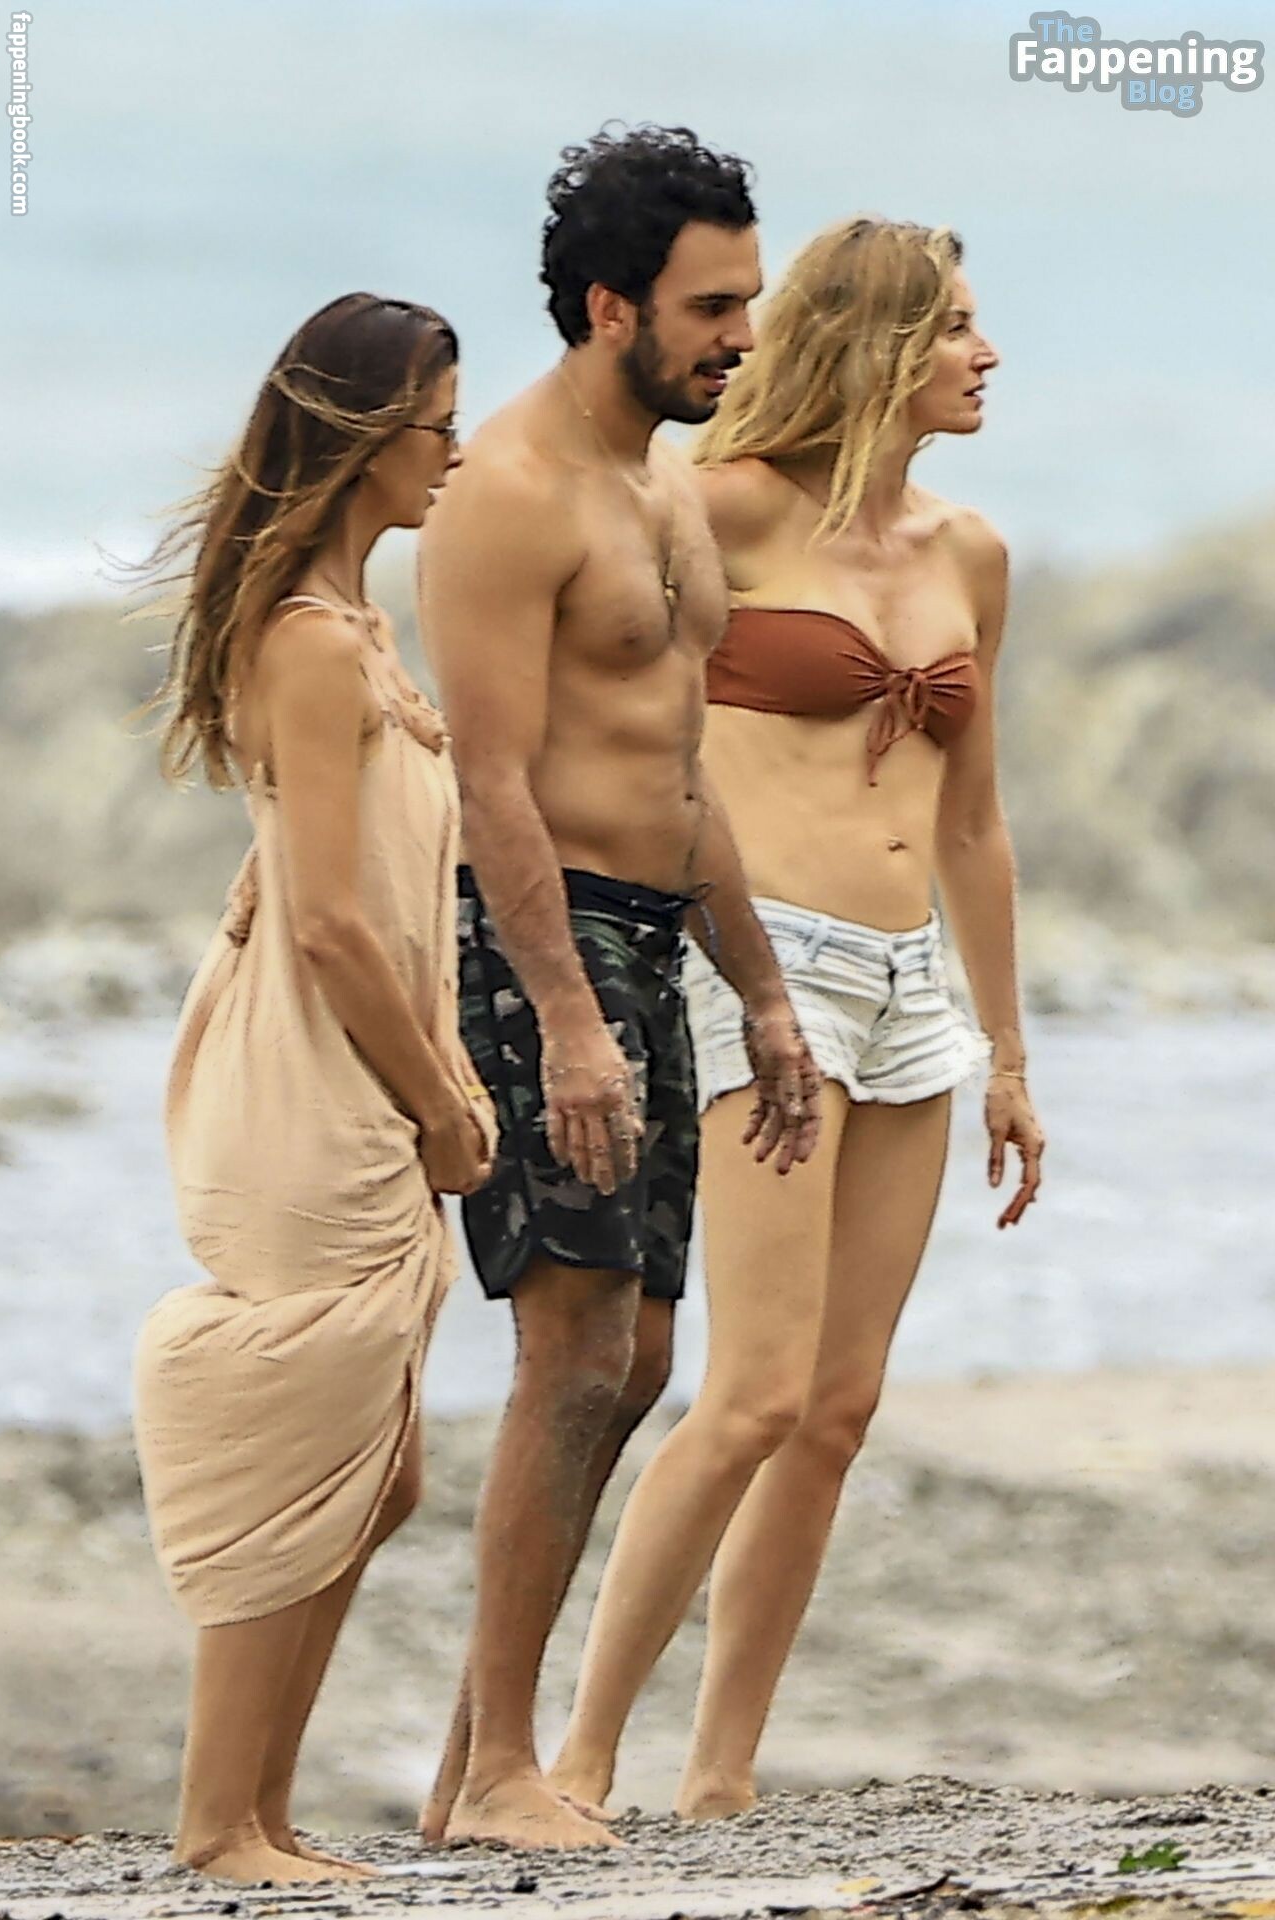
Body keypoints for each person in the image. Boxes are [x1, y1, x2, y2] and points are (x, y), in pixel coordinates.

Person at [550, 217, 1046, 1821]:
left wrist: (1008, 1050)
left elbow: (974, 821)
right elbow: (595, 683)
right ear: (871, 344)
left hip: (910, 992)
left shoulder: (972, 553)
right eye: (954, 327)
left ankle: (720, 1774)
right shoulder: (721, 506)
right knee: (754, 1391)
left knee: (835, 1411)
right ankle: (577, 1757)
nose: (984, 354)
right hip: (768, 974)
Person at [417, 126, 821, 1852]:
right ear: (609, 307)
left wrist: (766, 993)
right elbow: (492, 784)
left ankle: (469, 1769)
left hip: (654, 934)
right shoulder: (508, 494)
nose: (744, 336)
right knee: (574, 1347)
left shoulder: (662, 488)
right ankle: (503, 1768)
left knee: (640, 1357)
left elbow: (681, 767)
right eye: (713, 307)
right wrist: (568, 1026)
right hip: (540, 937)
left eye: (750, 299)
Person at [132, 292, 496, 1885]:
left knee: (378, 1461)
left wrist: (440, 1070)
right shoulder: (304, 640)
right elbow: (335, 922)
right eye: (438, 430)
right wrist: (440, 1101)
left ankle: (261, 1814)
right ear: (363, 440)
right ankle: (219, 1824)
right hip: (311, 1083)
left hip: (362, 1067)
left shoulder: (357, 629)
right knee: (304, 1440)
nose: (455, 457)